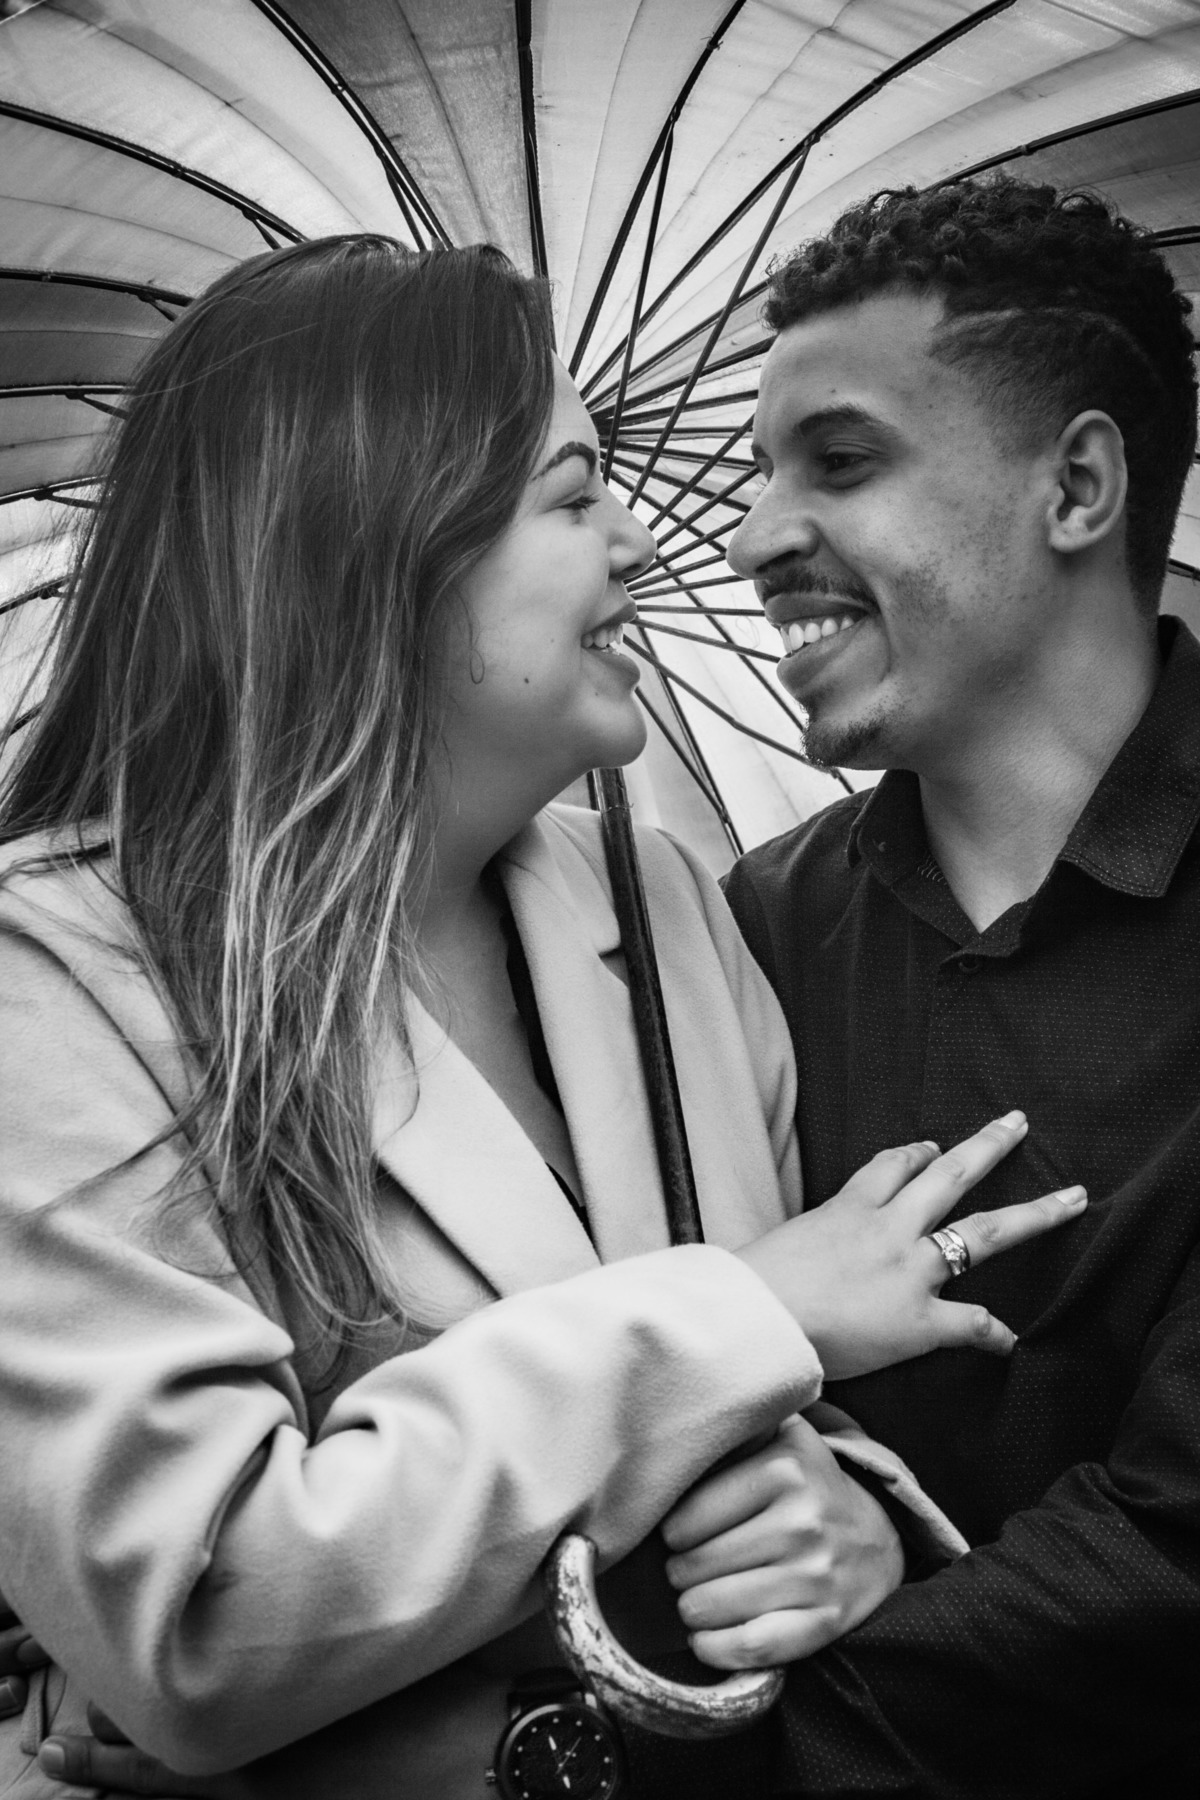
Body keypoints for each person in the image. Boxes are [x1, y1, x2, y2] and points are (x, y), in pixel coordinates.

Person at [0, 235, 1079, 1800]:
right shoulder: (58, 973)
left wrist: (849, 1521)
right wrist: (744, 1312)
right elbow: (204, 1613)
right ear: (374, 551)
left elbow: (776, 1403)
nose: (639, 544)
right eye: (574, 499)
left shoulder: (667, 905)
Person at [710, 177, 1200, 1796]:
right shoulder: (747, 930)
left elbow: (1171, 1565)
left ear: (1078, 486)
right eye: (759, 472)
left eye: (840, 462)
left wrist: (624, 1745)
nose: (754, 536)